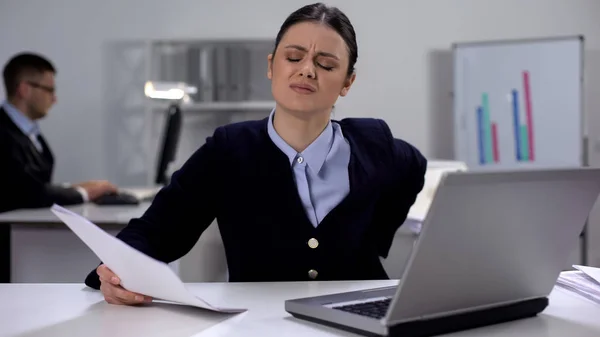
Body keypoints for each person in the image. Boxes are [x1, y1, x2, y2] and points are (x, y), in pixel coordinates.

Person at [89, 2, 427, 306]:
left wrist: (377, 238)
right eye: (293, 58)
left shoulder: (373, 143)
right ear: (271, 65)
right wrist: (116, 271)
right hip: (259, 322)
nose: (307, 70)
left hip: (359, 318)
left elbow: (414, 169)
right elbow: (156, 231)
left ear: (347, 83)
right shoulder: (229, 150)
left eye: (325, 64)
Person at [0, 53, 118, 213]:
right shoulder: (4, 134)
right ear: (25, 89)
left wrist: (73, 188)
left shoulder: (30, 133)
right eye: (49, 90)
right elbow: (24, 194)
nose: (54, 99)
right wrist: (85, 193)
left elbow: (33, 184)